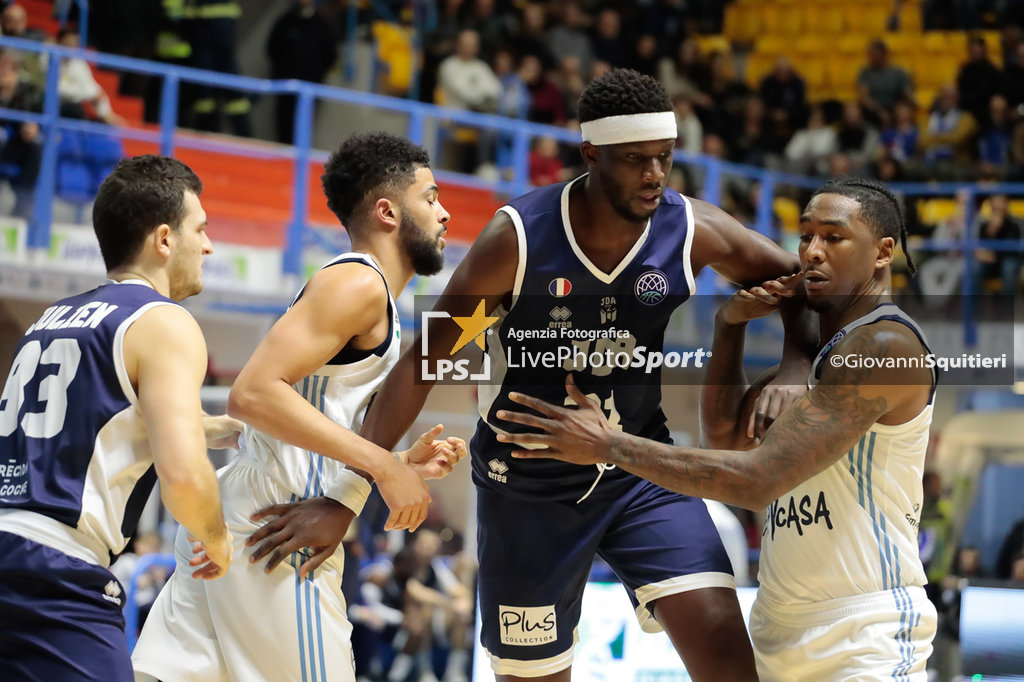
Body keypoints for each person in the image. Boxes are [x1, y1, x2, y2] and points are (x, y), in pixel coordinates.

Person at [245, 68, 814, 682]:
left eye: (664, 158)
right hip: (525, 489)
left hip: (637, 471)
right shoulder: (517, 241)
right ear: (591, 154)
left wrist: (796, 363)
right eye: (635, 159)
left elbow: (807, 288)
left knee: (729, 653)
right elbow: (426, 363)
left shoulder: (691, 229)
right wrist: (346, 497)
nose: (654, 175)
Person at [501, 177, 940, 680]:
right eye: (805, 236)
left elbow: (755, 481)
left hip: (867, 632)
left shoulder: (885, 347)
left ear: (883, 251)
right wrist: (728, 328)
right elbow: (725, 443)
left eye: (833, 238)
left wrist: (610, 446)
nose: (812, 252)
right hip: (780, 629)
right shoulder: (816, 366)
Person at [132, 132, 467, 682]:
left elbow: (306, 420)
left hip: (247, 515)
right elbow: (254, 393)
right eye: (430, 198)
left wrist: (402, 462)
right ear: (387, 211)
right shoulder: (358, 282)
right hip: (280, 529)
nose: (445, 213)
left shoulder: (369, 293)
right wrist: (382, 466)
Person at [0, 154, 236, 681]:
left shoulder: (49, 319)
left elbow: (84, 425)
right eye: (200, 229)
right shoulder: (164, 321)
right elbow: (182, 476)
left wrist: (204, 425)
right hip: (56, 570)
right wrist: (216, 537)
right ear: (163, 239)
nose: (209, 245)